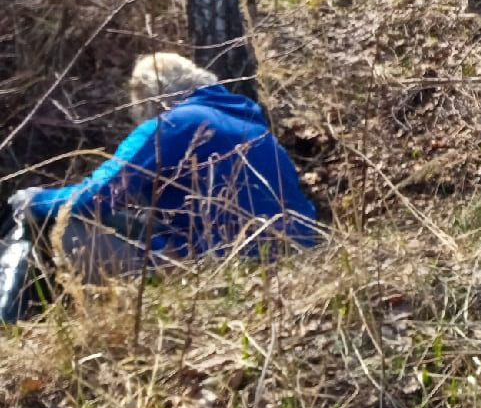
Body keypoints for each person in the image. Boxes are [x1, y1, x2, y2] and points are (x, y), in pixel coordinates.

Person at [6, 54, 318, 283]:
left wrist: (34, 200)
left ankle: (18, 320)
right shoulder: (253, 127)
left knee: (62, 229)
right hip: (296, 252)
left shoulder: (169, 126)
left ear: (147, 98)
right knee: (136, 221)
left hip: (219, 265)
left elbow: (96, 197)